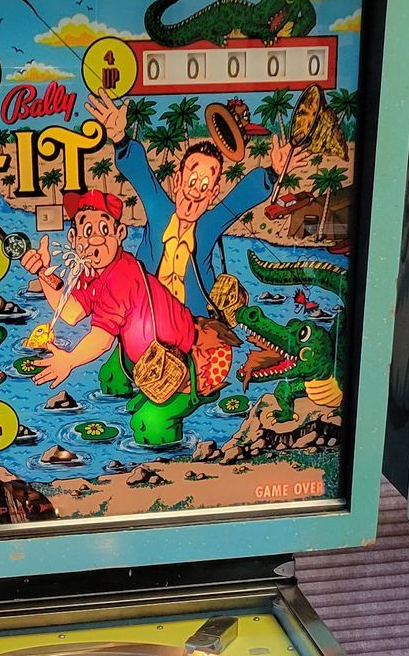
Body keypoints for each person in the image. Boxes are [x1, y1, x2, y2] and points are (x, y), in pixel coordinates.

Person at [87, 86, 302, 319]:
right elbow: (141, 174)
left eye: (204, 186)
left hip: (196, 329)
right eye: (191, 180)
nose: (195, 192)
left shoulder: (208, 226)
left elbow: (240, 198)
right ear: (178, 181)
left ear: (213, 193)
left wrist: (273, 172)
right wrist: (120, 139)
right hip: (145, 324)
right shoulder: (159, 209)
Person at [23, 189, 204, 449]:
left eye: (104, 230)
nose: (96, 239)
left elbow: (101, 340)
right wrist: (43, 271)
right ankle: (131, 386)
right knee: (111, 377)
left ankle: (166, 422)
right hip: (140, 356)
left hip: (180, 363)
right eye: (87, 232)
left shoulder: (123, 275)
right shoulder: (92, 271)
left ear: (119, 235)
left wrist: (70, 360)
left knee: (148, 429)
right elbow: (72, 313)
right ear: (73, 238)